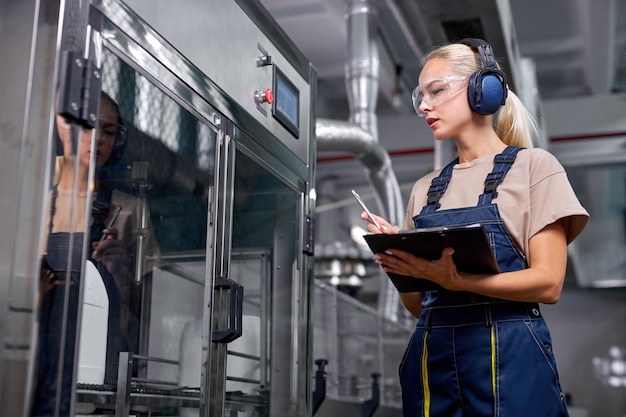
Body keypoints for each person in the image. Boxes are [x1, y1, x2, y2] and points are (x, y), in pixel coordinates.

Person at [361, 39, 589, 417]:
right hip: (434, 355)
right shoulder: (425, 190)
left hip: (510, 354)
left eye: (436, 90)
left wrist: (460, 282)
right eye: (420, 95)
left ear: (484, 89)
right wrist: (396, 259)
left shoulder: (534, 168)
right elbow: (419, 307)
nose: (423, 105)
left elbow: (549, 283)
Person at [31, 91, 159, 416]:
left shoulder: (130, 211)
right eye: (89, 127)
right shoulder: (32, 200)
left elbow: (154, 313)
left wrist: (120, 272)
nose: (98, 139)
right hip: (33, 356)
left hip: (102, 371)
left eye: (108, 131)